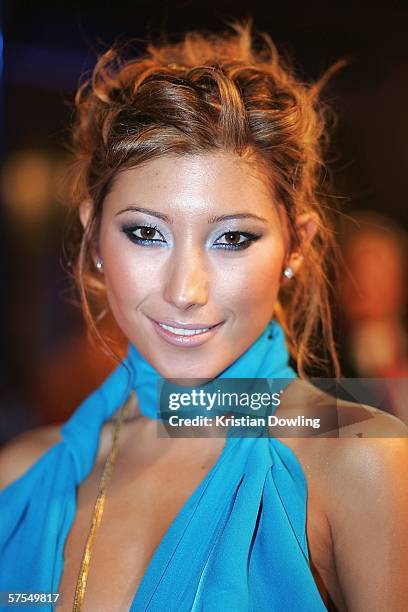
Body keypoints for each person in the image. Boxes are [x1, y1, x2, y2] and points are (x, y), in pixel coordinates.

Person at [1, 18, 407, 612]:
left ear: (294, 246)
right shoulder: (18, 480)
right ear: (93, 237)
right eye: (145, 233)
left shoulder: (363, 460)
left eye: (233, 239)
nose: (185, 290)